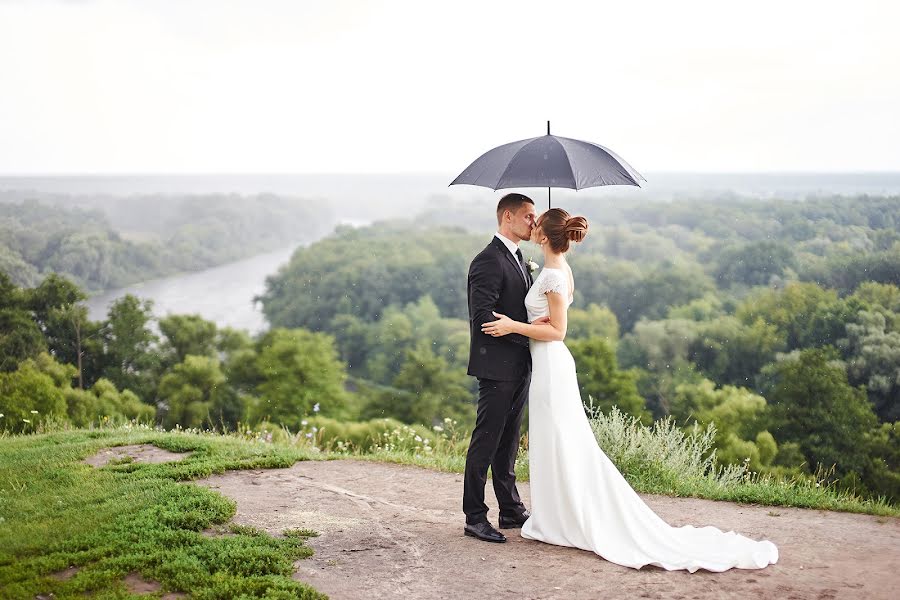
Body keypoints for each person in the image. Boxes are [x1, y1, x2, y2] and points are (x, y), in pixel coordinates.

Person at [480, 208, 779, 572]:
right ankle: (556, 515)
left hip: (552, 364)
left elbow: (558, 331)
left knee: (564, 439)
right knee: (554, 439)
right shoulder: (555, 271)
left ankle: (566, 518)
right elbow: (549, 320)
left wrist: (515, 325)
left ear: (543, 234)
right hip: (544, 364)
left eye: (535, 221)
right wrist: (531, 322)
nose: (531, 224)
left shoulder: (555, 275)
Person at [462, 193, 543, 543]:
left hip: (520, 365)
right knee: (486, 441)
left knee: (508, 442)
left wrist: (533, 325)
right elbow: (483, 317)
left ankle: (510, 509)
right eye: (528, 216)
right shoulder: (488, 261)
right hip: (496, 367)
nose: (533, 222)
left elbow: (516, 312)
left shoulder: (520, 257)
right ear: (507, 216)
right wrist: (521, 333)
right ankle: (474, 517)